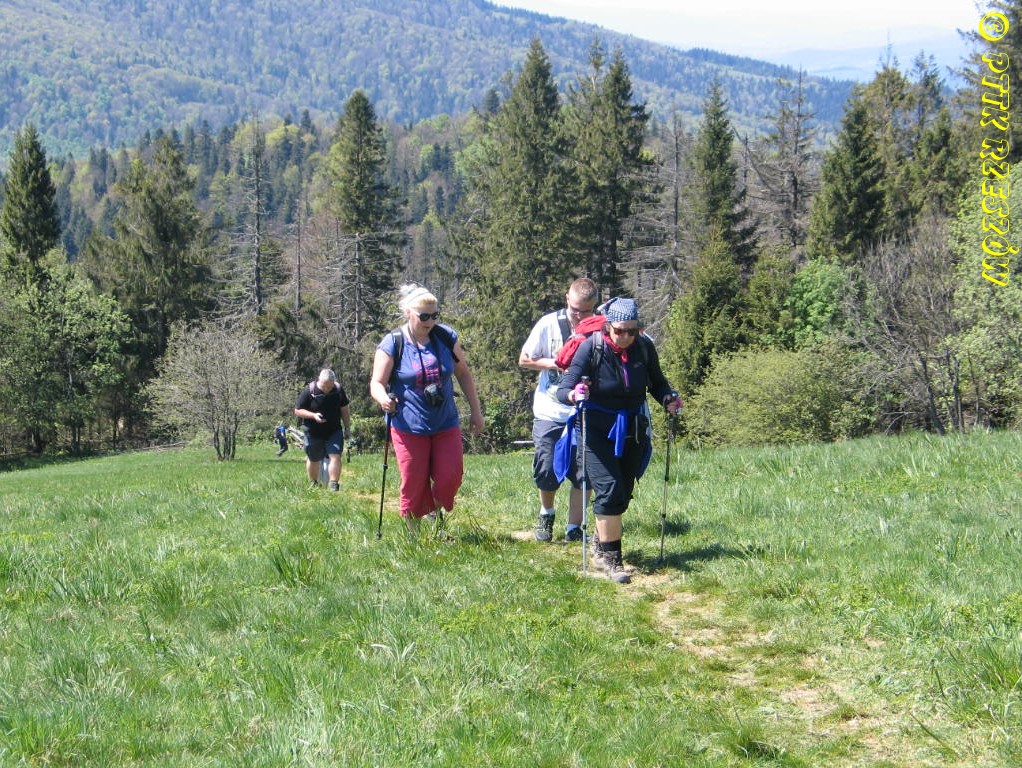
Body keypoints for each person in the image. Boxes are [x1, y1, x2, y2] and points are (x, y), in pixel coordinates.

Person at [557, 297, 682, 584]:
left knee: (623, 493)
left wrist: (668, 398)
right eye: (620, 331)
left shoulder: (644, 347)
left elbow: (657, 382)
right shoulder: (591, 347)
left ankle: (600, 542)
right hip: (595, 430)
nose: (625, 336)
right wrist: (575, 394)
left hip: (632, 430)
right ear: (608, 327)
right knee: (610, 490)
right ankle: (612, 559)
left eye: (632, 331)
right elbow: (563, 388)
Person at [369, 283, 484, 532]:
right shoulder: (393, 342)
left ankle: (433, 509)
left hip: (446, 422)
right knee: (413, 481)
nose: (430, 321)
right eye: (424, 316)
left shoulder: (445, 337)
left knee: (450, 477)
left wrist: (476, 411)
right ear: (408, 313)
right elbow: (376, 383)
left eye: (434, 315)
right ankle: (414, 537)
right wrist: (383, 399)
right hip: (408, 426)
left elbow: (463, 373)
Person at [518, 277, 599, 542]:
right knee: (546, 466)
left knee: (583, 471)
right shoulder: (548, 323)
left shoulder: (600, 328)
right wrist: (559, 362)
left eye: (586, 311)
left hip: (586, 410)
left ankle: (574, 527)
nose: (580, 316)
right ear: (567, 299)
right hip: (550, 409)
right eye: (575, 309)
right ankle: (547, 512)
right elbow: (525, 359)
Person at [294, 368, 351, 490]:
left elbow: (344, 410)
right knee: (314, 459)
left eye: (329, 386)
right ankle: (314, 483)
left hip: (334, 431)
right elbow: (298, 410)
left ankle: (333, 484)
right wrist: (313, 416)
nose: (327, 389)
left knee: (335, 455)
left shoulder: (338, 390)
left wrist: (347, 427)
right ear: (319, 380)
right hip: (313, 432)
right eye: (324, 386)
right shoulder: (309, 391)